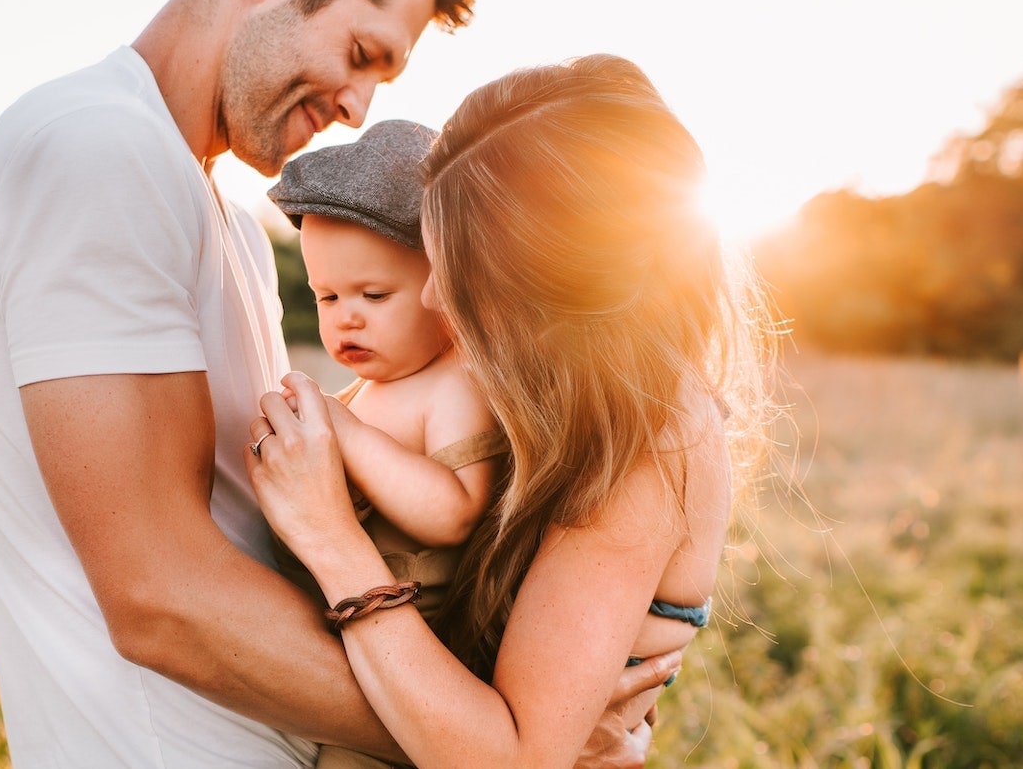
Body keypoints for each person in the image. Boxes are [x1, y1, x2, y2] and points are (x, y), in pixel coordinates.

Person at [0, 0, 677, 763]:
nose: (359, 107)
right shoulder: (95, 153)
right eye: (361, 54)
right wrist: (499, 742)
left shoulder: (227, 223)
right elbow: (157, 596)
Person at [247, 54, 776, 768]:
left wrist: (331, 540)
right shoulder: (549, 397)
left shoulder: (652, 437)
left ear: (554, 288)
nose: (434, 300)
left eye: (461, 276)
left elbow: (509, 760)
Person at [266, 119, 503, 769]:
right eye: (326, 295)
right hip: (345, 644)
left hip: (415, 651)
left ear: (445, 288)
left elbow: (455, 509)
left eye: (374, 294)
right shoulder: (368, 389)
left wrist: (345, 434)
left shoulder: (452, 382)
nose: (346, 315)